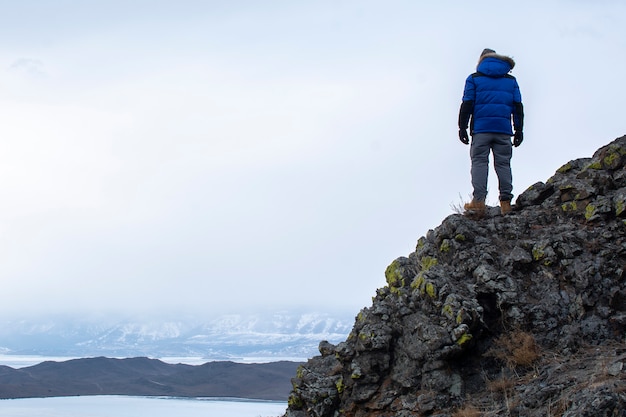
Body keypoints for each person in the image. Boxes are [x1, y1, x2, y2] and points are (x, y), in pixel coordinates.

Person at [458, 48, 524, 215]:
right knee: (503, 163)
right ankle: (506, 203)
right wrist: (519, 130)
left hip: (481, 130)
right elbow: (517, 107)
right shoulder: (511, 81)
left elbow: (467, 104)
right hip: (503, 130)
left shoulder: (474, 79)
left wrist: (462, 127)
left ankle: (478, 202)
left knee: (480, 162)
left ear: (481, 60)